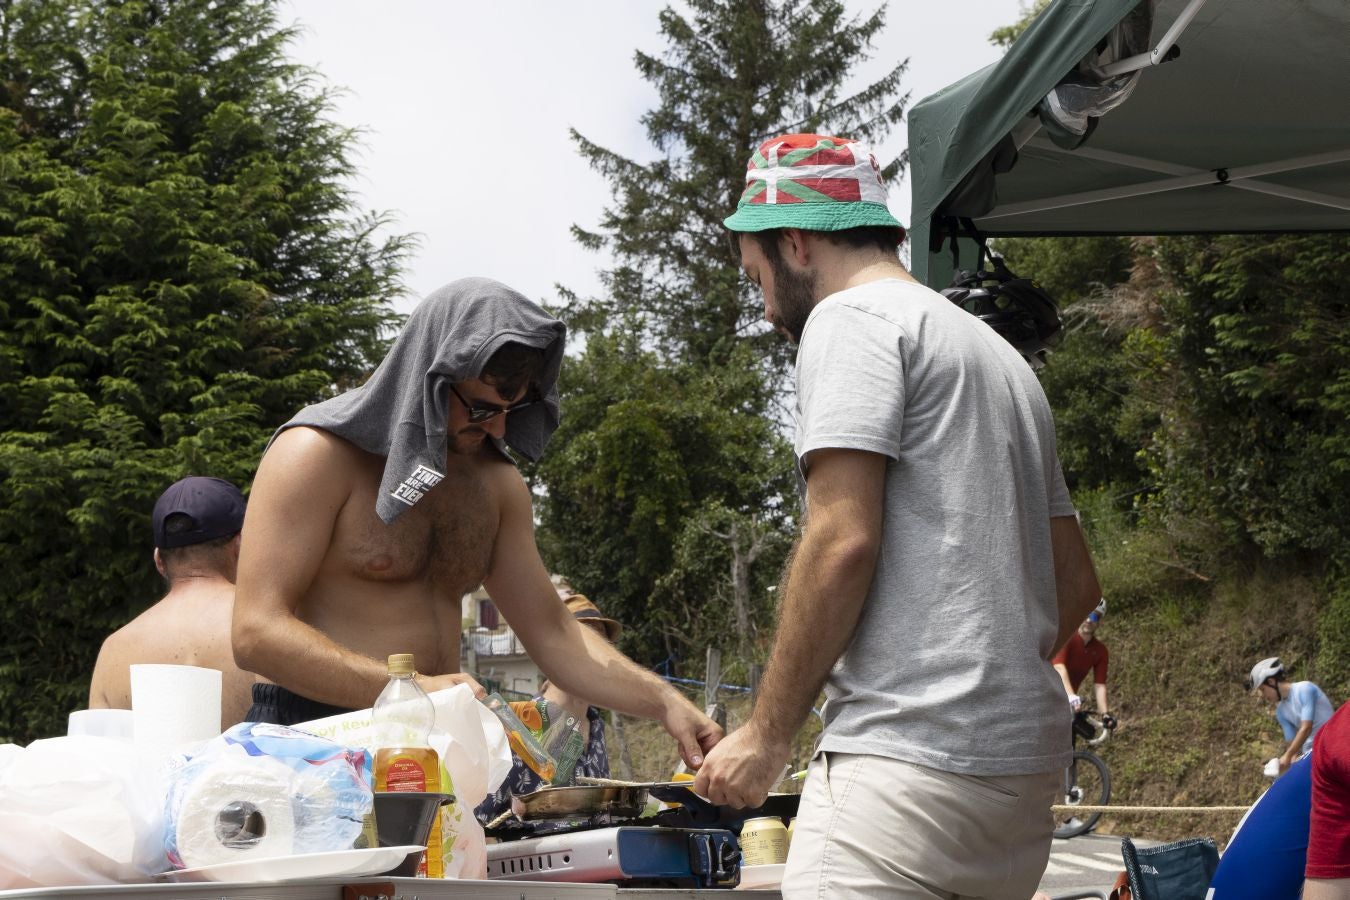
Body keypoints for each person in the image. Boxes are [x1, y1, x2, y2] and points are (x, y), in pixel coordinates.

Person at [694, 133, 1101, 900]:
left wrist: (767, 733)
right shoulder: (998, 356)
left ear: (795, 243)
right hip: (1019, 778)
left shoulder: (851, 321)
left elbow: (842, 540)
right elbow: (1075, 581)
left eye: (758, 278)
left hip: (907, 767)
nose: (768, 307)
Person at [231, 277, 720, 769]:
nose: (499, 429)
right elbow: (256, 632)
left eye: (513, 409)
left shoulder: (496, 486)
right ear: (432, 374)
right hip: (317, 737)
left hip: (437, 747)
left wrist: (664, 701)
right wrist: (412, 689)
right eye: (483, 407)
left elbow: (553, 631)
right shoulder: (316, 455)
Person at [88, 476, 256, 730]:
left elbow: (101, 761)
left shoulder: (114, 650)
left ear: (158, 560)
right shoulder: (270, 626)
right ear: (240, 547)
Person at [475, 580, 620, 824]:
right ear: (553, 651)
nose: (599, 657)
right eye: (587, 644)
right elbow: (481, 823)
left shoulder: (597, 727)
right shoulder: (516, 726)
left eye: (603, 646)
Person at [1248, 656, 1334, 773]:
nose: (1262, 695)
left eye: (1262, 689)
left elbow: (1306, 728)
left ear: (1271, 682)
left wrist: (1288, 755)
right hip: (1313, 754)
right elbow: (1293, 748)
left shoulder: (1304, 689)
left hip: (1333, 741)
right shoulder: (1280, 712)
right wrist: (1286, 763)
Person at [1052, 597, 1116, 727]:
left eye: (1094, 617)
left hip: (1065, 706)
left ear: (1099, 621)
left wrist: (1105, 714)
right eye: (1085, 615)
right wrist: (1070, 695)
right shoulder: (1066, 636)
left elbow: (1100, 685)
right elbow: (1059, 667)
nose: (1088, 620)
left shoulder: (1100, 651)